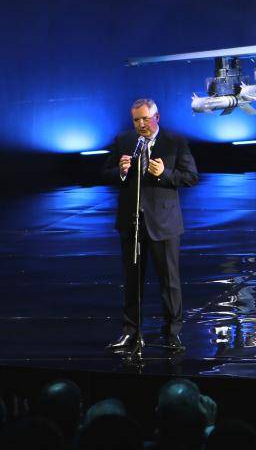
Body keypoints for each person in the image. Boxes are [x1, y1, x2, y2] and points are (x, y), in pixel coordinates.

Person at [101, 98, 198, 353]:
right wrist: (120, 172)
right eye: (136, 120)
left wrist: (164, 174)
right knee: (132, 281)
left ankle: (172, 333)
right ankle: (130, 332)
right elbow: (106, 173)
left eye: (145, 118)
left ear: (157, 117)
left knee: (170, 282)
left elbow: (190, 177)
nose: (140, 124)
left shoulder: (175, 142)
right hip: (132, 223)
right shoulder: (123, 141)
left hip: (164, 223)